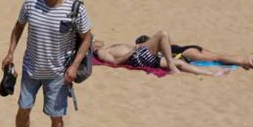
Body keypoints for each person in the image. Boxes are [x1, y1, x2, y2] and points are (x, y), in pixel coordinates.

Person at [0, 0, 91, 127]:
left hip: (58, 73)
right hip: (31, 68)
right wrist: (10, 52)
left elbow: (87, 38)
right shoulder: (32, 1)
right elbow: (18, 26)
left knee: (56, 117)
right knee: (23, 109)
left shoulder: (76, 8)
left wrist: (75, 66)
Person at [92, 32, 231, 76]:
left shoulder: (106, 46)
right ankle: (171, 65)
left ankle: (211, 73)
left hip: (141, 55)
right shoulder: (101, 52)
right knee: (162, 35)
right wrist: (132, 52)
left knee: (180, 63)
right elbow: (115, 62)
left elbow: (100, 41)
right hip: (136, 56)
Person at [133, 34, 253, 69]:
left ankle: (248, 61)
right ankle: (247, 61)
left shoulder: (156, 52)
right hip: (190, 47)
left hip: (186, 54)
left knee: (217, 59)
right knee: (218, 55)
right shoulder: (164, 44)